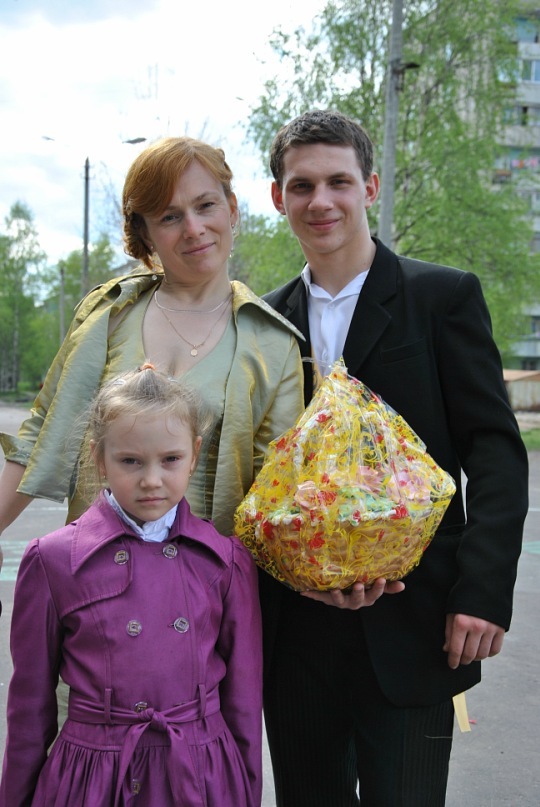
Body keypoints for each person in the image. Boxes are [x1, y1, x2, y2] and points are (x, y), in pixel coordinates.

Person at [260, 109, 529, 807]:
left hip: (415, 626)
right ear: (278, 197)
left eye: (339, 182)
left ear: (370, 187)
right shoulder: (263, 321)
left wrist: (482, 591)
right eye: (302, 185)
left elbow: (494, 452)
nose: (321, 201)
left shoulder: (442, 296)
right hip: (297, 636)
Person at [0, 135, 304, 556]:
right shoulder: (109, 314)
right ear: (144, 231)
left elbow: (280, 492)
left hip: (205, 585)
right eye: (169, 216)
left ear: (232, 209)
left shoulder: (274, 343)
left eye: (205, 206)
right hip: (92, 573)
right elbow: (39, 433)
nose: (193, 228)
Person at [0, 365, 263, 806]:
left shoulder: (226, 560)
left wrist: (245, 792)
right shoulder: (53, 560)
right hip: (92, 776)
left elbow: (245, 704)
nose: (151, 480)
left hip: (200, 774)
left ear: (195, 454)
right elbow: (29, 707)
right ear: (99, 458)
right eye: (130, 461)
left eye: (171, 459)